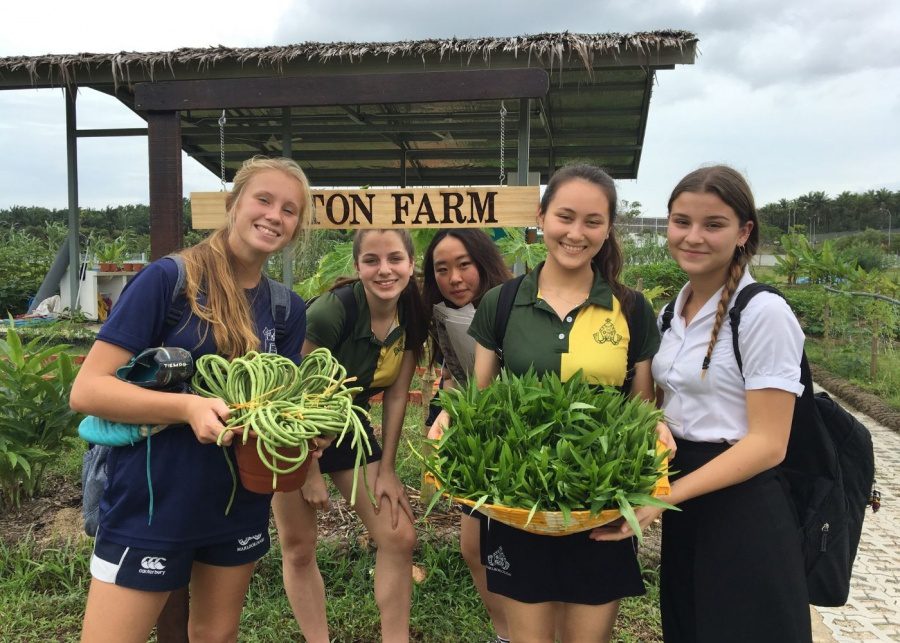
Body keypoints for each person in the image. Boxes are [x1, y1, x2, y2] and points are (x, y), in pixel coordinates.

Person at [70, 156, 317, 643]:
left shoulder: (286, 309)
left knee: (215, 635)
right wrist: (186, 408)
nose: (275, 215)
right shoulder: (170, 280)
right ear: (233, 205)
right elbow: (89, 389)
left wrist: (307, 429)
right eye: (263, 200)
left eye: (290, 210)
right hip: (152, 496)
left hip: (237, 500)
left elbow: (278, 407)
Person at [432, 164, 668, 643]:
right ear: (541, 217)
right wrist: (450, 421)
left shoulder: (630, 307)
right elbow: (480, 403)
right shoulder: (502, 302)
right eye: (564, 217)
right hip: (521, 502)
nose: (576, 233)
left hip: (599, 502)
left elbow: (642, 412)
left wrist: (656, 452)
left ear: (608, 228)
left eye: (592, 221)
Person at [593, 165, 812, 642]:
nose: (692, 237)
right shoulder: (673, 311)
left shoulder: (763, 313)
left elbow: (769, 444)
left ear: (743, 232)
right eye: (680, 221)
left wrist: (663, 497)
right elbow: (656, 404)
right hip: (685, 500)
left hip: (743, 507)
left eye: (713, 224)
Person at [272, 229, 427, 643]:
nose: (385, 270)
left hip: (350, 424)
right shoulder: (331, 312)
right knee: (300, 545)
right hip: (289, 429)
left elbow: (396, 395)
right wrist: (308, 471)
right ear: (357, 267)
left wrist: (389, 468)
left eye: (395, 258)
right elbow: (292, 390)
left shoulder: (411, 312)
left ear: (411, 265)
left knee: (398, 535)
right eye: (372, 260)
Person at [422, 229, 513, 643]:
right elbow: (460, 376)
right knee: (474, 548)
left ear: (484, 263)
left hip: (520, 447)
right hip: (477, 443)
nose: (454, 278)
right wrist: (445, 412)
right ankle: (505, 633)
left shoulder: (513, 306)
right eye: (442, 269)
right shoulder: (443, 313)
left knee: (517, 555)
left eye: (464, 265)